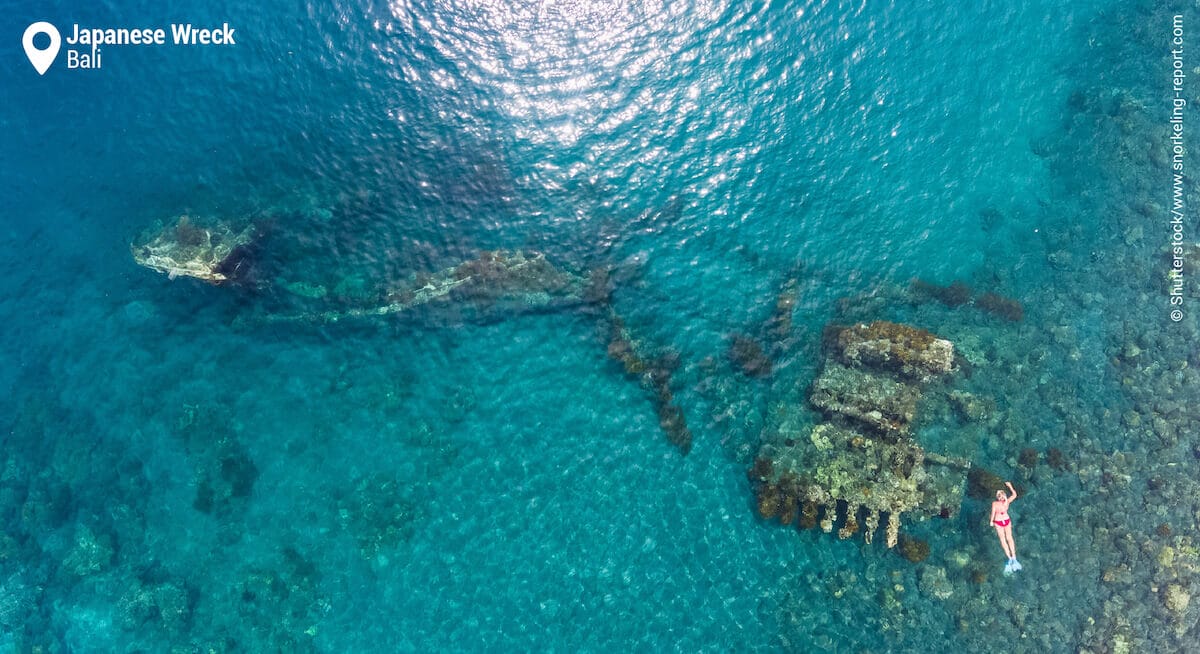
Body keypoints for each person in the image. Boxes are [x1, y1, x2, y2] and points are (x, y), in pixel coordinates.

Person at [991, 481, 1022, 574]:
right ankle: (1009, 559)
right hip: (998, 522)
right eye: (999, 495)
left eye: (1002, 494)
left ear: (1004, 494)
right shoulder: (995, 503)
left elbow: (1015, 494)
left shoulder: (1007, 501)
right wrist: (991, 521)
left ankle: (1014, 558)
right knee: (1003, 540)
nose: (1001, 496)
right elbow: (993, 512)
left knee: (1010, 538)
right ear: (998, 498)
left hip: (1007, 520)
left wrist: (1010, 486)